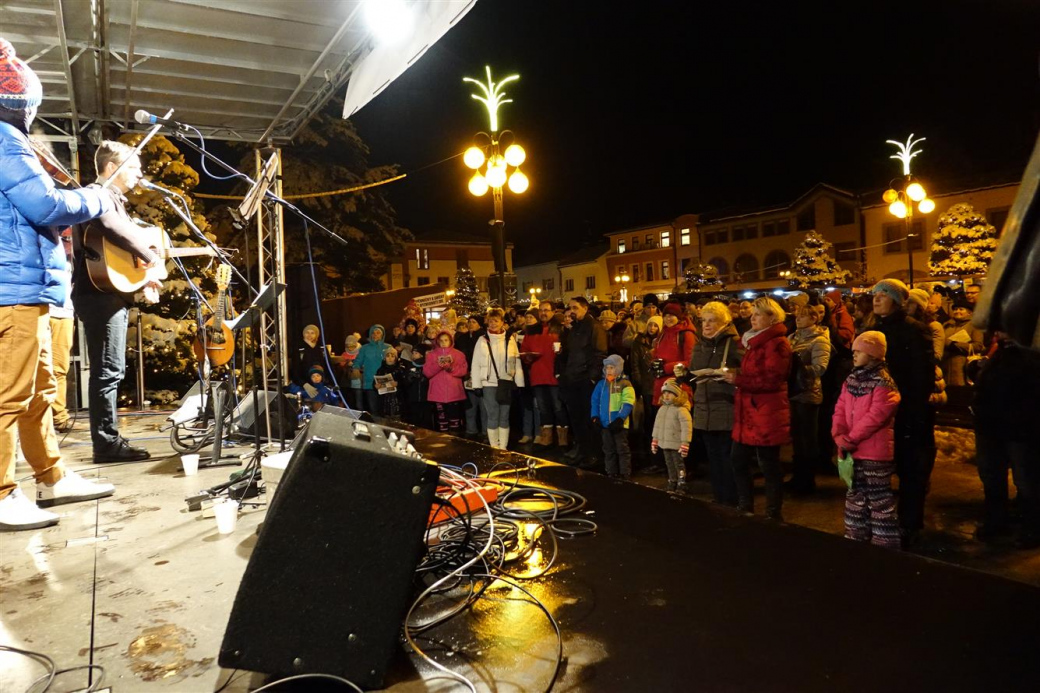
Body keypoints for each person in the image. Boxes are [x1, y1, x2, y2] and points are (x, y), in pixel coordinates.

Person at [0, 39, 116, 530]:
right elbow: (45, 206)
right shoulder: (4, 140)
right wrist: (96, 196)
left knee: (41, 390)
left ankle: (49, 475)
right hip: (14, 291)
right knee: (8, 395)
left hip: (33, 289)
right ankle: (3, 493)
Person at [71, 140, 162, 463]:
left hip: (106, 293)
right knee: (107, 371)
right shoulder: (99, 196)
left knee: (110, 370)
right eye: (134, 168)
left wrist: (142, 272)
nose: (140, 174)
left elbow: (118, 243)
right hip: (98, 296)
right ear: (112, 168)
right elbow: (115, 229)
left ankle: (108, 440)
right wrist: (152, 259)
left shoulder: (112, 200)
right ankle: (106, 445)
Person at [870, 279, 936, 547]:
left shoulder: (914, 330)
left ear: (896, 301)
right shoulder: (875, 328)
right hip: (881, 411)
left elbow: (922, 376)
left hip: (907, 411)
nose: (876, 299)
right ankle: (885, 521)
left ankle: (910, 523)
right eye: (874, 295)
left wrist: (907, 405)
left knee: (911, 471)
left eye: (882, 295)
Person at [723, 297, 792, 521]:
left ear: (771, 318)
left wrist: (738, 379)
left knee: (768, 464)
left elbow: (771, 380)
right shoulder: (754, 342)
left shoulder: (777, 344)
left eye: (758, 314)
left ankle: (773, 512)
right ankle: (746, 505)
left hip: (766, 411)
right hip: (749, 411)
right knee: (738, 459)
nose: (752, 317)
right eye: (752, 313)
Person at [832, 331, 902, 549]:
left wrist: (851, 438)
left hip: (874, 452)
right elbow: (840, 409)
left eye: (859, 351)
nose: (854, 355)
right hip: (852, 450)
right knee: (855, 496)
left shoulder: (883, 382)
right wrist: (838, 434)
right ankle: (855, 536)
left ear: (873, 354)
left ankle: (884, 542)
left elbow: (876, 417)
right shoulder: (851, 379)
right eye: (854, 351)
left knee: (879, 499)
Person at [973, 334, 1040, 548]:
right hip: (992, 426)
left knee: (1026, 480)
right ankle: (996, 521)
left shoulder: (1029, 351)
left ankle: (1032, 529)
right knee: (992, 476)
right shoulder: (1000, 350)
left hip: (1019, 427)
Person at [688, 302, 743, 506]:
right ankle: (720, 497)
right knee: (713, 456)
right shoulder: (700, 343)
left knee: (727, 456)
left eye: (712, 321)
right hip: (704, 405)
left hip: (726, 404)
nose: (707, 325)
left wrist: (732, 375)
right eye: (704, 320)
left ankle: (731, 499)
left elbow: (745, 369)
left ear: (723, 322)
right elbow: (694, 368)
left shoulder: (734, 343)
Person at [786, 305, 832, 495]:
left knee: (807, 437)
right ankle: (798, 476)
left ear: (815, 319)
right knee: (797, 437)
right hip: (793, 392)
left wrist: (798, 369)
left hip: (808, 393)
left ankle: (807, 479)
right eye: (798, 315)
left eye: (804, 316)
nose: (799, 319)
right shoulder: (792, 337)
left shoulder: (819, 340)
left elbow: (820, 367)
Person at [556, 296, 607, 465]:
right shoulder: (574, 328)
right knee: (576, 418)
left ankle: (593, 454)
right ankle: (581, 450)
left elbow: (599, 353)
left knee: (588, 418)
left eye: (575, 307)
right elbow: (569, 353)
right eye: (569, 308)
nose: (571, 311)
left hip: (585, 379)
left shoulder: (593, 327)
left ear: (585, 308)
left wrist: (592, 378)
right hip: (572, 378)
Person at [470, 308, 524, 449]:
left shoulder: (509, 339)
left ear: (502, 322)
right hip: (488, 383)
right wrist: (476, 384)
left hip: (506, 382)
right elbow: (475, 363)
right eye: (491, 320)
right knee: (493, 414)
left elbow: (516, 360)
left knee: (504, 415)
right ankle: (494, 447)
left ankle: (503, 447)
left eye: (496, 321)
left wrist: (519, 382)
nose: (493, 323)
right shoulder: (482, 340)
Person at [523, 300, 567, 447]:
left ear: (553, 312)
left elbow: (566, 350)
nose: (543, 313)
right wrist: (528, 357)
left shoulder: (560, 329)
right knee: (543, 408)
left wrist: (561, 353)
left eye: (546, 310)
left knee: (558, 407)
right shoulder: (531, 330)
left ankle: (562, 440)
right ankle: (546, 439)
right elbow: (524, 349)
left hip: (555, 374)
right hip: (538, 374)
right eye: (541, 310)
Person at [591, 354, 636, 480]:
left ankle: (625, 473)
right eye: (607, 368)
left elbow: (628, 402)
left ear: (618, 368)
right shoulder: (601, 384)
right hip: (605, 424)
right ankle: (611, 473)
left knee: (622, 450)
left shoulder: (625, 384)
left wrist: (620, 418)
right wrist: (595, 417)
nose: (609, 370)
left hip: (619, 424)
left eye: (612, 367)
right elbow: (595, 401)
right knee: (608, 449)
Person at [49, 231, 75, 432]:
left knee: (59, 369)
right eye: (65, 239)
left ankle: (59, 418)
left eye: (71, 240)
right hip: (39, 310)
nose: (69, 244)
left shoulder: (76, 262)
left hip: (64, 314)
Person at [422, 331, 469, 434]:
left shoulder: (458, 354)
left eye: (446, 340)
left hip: (454, 392)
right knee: (441, 420)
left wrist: (450, 368)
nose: (443, 342)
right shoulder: (431, 355)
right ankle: (443, 442)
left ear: (450, 341)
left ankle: (456, 442)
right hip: (438, 392)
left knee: (455, 419)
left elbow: (463, 371)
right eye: (441, 340)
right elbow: (427, 372)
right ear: (437, 341)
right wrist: (438, 366)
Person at [652, 379, 693, 493]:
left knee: (678, 464)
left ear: (676, 394)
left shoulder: (681, 410)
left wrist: (685, 443)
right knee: (669, 463)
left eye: (669, 393)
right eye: (664, 393)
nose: (666, 396)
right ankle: (672, 480)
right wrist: (655, 440)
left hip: (677, 444)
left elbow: (686, 428)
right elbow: (657, 427)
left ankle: (681, 482)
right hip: (665, 443)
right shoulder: (662, 409)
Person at [650, 302, 696, 405]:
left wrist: (666, 368)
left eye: (671, 316)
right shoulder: (663, 333)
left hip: (678, 385)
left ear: (678, 317)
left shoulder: (686, 334)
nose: (667, 319)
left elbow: (691, 361)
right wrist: (654, 363)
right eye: (665, 316)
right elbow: (656, 353)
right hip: (661, 385)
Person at [456, 315, 486, 440]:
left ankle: (485, 431)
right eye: (469, 322)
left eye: (474, 322)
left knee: (484, 405)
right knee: (470, 405)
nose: (471, 324)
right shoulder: (462, 338)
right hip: (467, 374)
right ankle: (471, 429)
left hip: (482, 374)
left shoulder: (484, 337)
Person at [942, 299, 984, 387]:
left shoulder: (973, 325)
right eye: (955, 309)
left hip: (963, 367)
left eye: (961, 309)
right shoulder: (946, 325)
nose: (957, 311)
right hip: (945, 366)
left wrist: (954, 345)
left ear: (969, 312)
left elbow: (978, 346)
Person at [355, 324, 388, 414]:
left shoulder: (388, 347)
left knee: (385, 410)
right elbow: (358, 361)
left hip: (384, 381)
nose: (375, 335)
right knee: (374, 410)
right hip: (370, 382)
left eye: (378, 333)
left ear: (382, 335)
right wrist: (355, 368)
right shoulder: (364, 348)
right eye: (373, 333)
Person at [375, 346, 405, 419]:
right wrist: (376, 386)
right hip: (384, 400)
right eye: (388, 356)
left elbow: (406, 383)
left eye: (392, 356)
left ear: (396, 358)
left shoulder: (400, 370)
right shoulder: (381, 370)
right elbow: (375, 382)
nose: (390, 358)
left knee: (397, 421)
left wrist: (398, 384)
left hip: (397, 400)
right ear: (385, 358)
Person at [337, 332, 363, 409]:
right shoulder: (344, 354)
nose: (350, 348)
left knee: (358, 400)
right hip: (346, 381)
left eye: (352, 346)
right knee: (348, 399)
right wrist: (345, 363)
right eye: (348, 346)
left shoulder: (360, 353)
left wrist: (355, 364)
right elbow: (340, 365)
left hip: (356, 379)